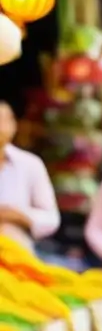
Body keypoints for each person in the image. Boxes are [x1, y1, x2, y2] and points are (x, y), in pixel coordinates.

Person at [0, 94, 59, 253]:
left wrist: (18, 215)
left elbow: (51, 219)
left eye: (5, 120)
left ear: (14, 125)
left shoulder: (30, 164)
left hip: (17, 256)